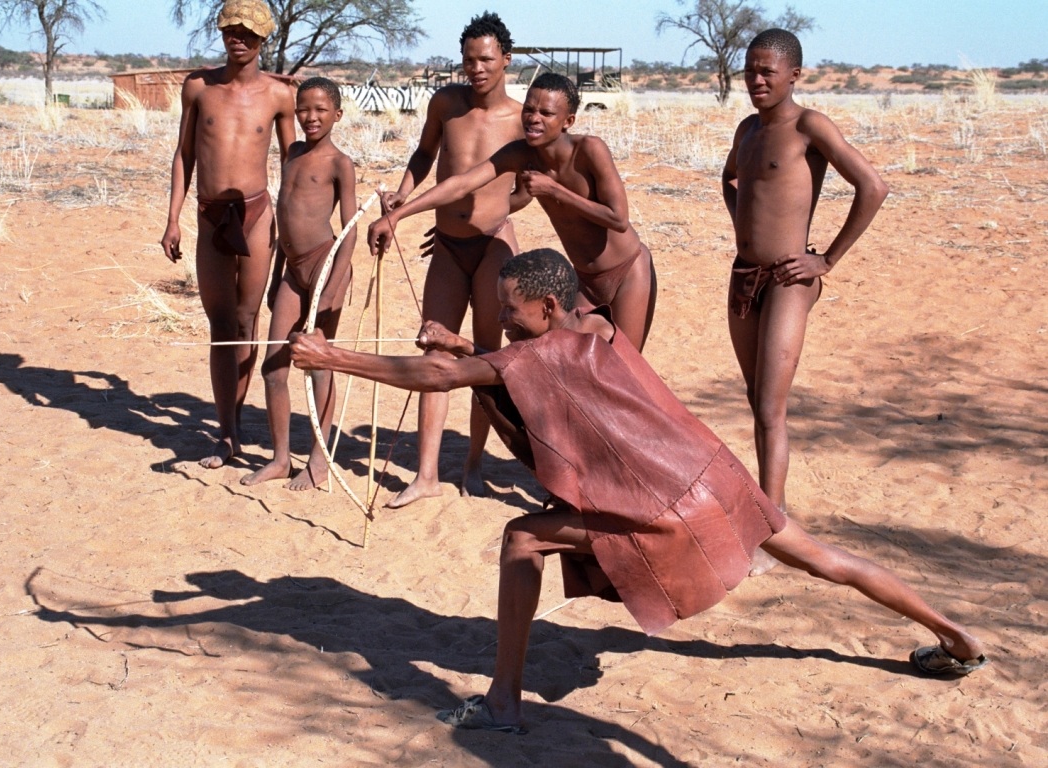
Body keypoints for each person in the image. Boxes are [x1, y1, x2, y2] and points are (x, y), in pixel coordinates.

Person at [289, 249, 987, 734]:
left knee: (521, 536)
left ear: (547, 305)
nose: (501, 319)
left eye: (510, 310)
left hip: (661, 509)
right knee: (823, 557)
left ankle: (502, 701)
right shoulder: (595, 327)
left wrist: (330, 357)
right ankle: (952, 634)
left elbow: (443, 379)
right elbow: (524, 365)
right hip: (712, 475)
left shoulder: (530, 352)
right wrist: (468, 346)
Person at [721, 29, 888, 572]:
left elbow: (873, 186)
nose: (757, 80)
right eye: (750, 70)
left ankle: (773, 527)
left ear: (795, 74)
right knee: (754, 397)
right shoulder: (747, 129)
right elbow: (729, 179)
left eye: (768, 70)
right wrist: (742, 226)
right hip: (744, 275)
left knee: (771, 405)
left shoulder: (809, 126)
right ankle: (773, 511)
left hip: (792, 279)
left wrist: (826, 260)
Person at [368, 72, 658, 352]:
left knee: (623, 368)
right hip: (583, 279)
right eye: (529, 109)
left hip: (627, 272)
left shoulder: (590, 149)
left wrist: (555, 190)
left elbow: (618, 219)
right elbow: (461, 184)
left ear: (568, 121)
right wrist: (399, 215)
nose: (534, 118)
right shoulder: (520, 153)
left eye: (546, 113)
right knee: (566, 361)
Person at [378, 12, 525, 508]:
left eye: (486, 59)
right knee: (432, 348)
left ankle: (475, 461)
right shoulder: (445, 102)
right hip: (446, 244)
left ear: (506, 58)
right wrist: (402, 196)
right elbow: (424, 155)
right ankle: (424, 474)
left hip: (493, 247)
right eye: (469, 60)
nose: (477, 69)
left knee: (482, 354)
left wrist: (500, 215)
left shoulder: (524, 119)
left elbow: (526, 188)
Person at [160, 0, 296, 469]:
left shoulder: (279, 96)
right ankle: (227, 432)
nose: (238, 39)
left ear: (263, 40)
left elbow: (293, 163)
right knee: (220, 328)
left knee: (247, 320)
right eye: (230, 31)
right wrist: (173, 217)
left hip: (258, 215)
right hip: (209, 215)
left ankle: (234, 415)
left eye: (248, 34)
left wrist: (297, 225)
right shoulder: (198, 87)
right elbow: (184, 155)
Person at [240, 77, 356, 490]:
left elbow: (351, 232)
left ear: (337, 115)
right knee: (274, 367)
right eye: (304, 109)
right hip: (291, 271)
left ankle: (319, 461)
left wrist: (331, 286)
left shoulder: (340, 163)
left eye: (321, 110)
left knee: (319, 366)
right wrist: (276, 278)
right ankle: (280, 458)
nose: (311, 117)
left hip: (326, 269)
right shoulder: (290, 153)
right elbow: (283, 221)